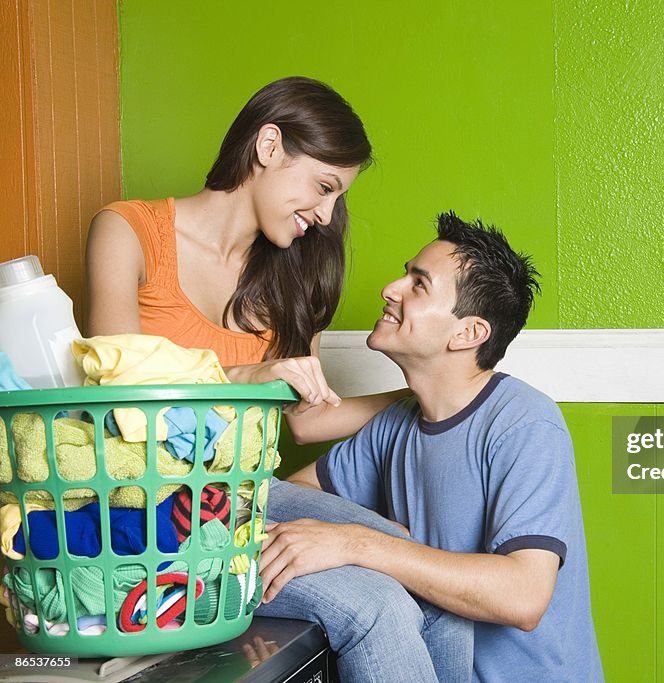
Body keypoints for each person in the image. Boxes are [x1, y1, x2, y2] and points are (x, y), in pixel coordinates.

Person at [85, 76, 471, 682]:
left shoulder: (296, 274)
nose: (325, 215)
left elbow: (305, 416)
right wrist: (247, 374)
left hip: (249, 493)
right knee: (378, 607)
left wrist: (420, 394)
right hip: (157, 508)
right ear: (268, 145)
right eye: (323, 187)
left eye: (336, 197)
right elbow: (118, 401)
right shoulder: (127, 232)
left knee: (437, 578)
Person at [258, 212, 604, 681]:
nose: (390, 288)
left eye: (419, 284)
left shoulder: (525, 424)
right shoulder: (399, 422)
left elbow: (523, 596)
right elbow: (286, 500)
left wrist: (361, 542)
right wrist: (363, 532)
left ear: (468, 333)